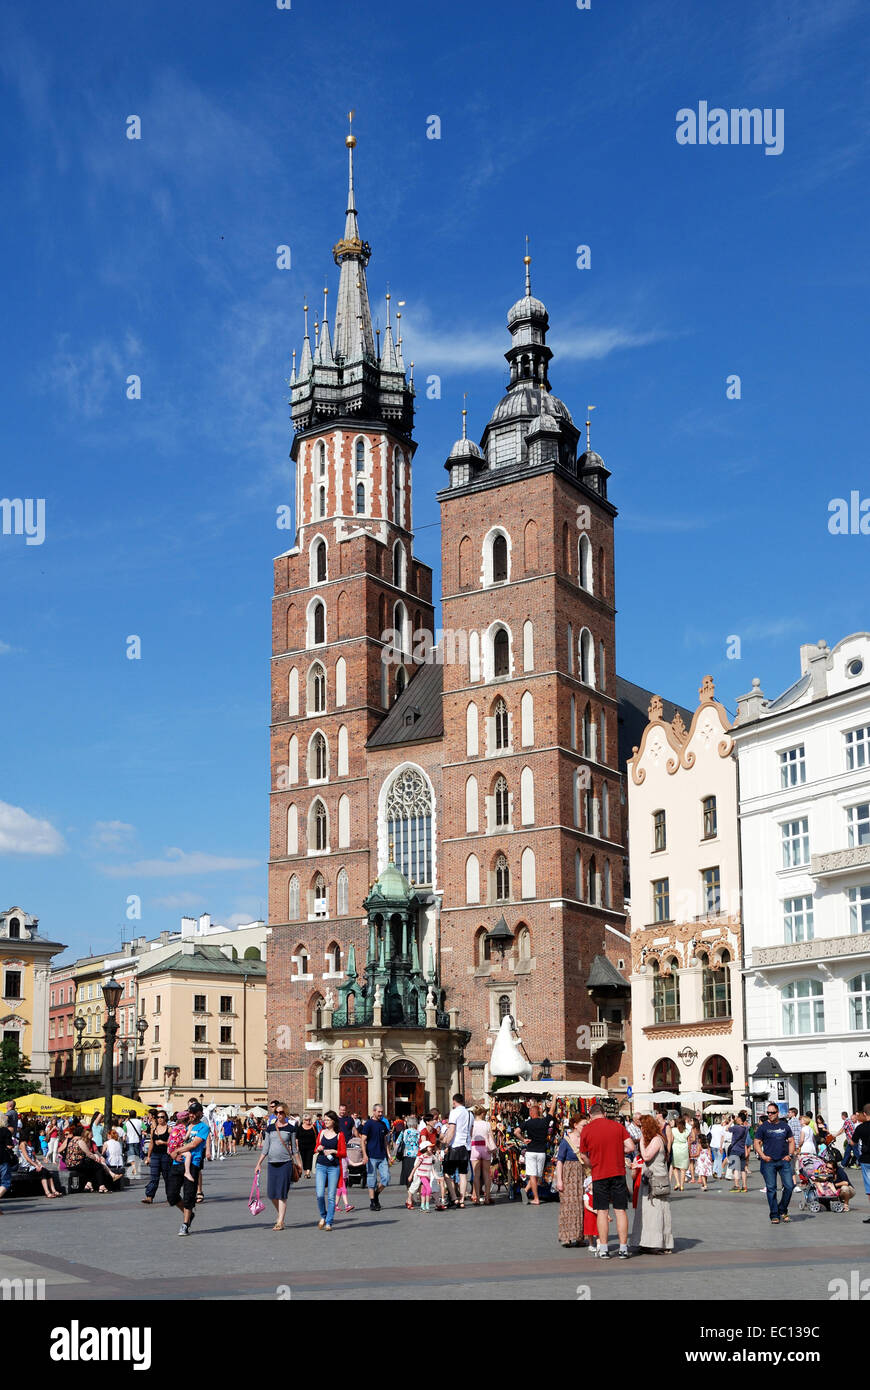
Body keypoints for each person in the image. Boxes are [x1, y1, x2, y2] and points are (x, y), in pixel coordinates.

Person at [579, 1101, 636, 1259]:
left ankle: (603, 1248)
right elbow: (631, 1147)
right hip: (618, 1172)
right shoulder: (617, 1126)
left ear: (590, 1116)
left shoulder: (587, 1130)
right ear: (604, 1113)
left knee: (602, 1211)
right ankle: (623, 1248)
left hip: (599, 1174)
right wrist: (618, 1151)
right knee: (620, 1210)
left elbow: (583, 1155)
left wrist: (592, 1164)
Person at [630, 1113, 674, 1255]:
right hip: (649, 1179)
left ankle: (657, 1243)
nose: (641, 1129)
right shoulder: (655, 1139)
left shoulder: (656, 1139)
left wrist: (642, 1141)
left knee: (656, 1212)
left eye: (642, 1126)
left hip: (656, 1182)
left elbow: (647, 1156)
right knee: (647, 1212)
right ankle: (645, 1241)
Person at [255, 1102, 301, 1230]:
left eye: (281, 1112)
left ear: (285, 1113)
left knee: (282, 1193)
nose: (279, 1115)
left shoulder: (291, 1129)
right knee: (271, 1194)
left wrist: (299, 1164)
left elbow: (294, 1149)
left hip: (285, 1163)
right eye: (276, 1112)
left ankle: (280, 1221)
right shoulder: (270, 1128)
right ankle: (280, 1214)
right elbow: (265, 1148)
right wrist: (258, 1164)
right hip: (272, 1164)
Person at [168, 1100, 209, 1236]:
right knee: (171, 1195)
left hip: (193, 1164)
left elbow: (194, 1144)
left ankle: (185, 1224)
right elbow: (175, 1140)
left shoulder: (203, 1127)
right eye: (189, 1112)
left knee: (189, 1195)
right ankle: (189, 1215)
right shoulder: (184, 1126)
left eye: (193, 1113)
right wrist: (174, 1153)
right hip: (177, 1162)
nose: (190, 1115)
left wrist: (177, 1151)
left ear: (199, 1113)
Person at [753, 1102, 796, 1224]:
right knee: (771, 1188)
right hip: (769, 1162)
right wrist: (762, 1156)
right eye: (768, 1112)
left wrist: (790, 1155)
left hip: (783, 1160)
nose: (770, 1115)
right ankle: (774, 1214)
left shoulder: (785, 1126)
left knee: (789, 1186)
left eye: (772, 1112)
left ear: (777, 1113)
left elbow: (792, 1141)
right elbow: (756, 1142)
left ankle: (782, 1209)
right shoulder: (763, 1127)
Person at [554, 1111, 587, 1247]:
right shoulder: (566, 1141)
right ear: (575, 1125)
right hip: (569, 1174)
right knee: (567, 1205)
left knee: (581, 1204)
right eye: (583, 1125)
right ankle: (566, 1237)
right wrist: (559, 1180)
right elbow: (560, 1161)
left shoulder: (586, 1139)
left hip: (581, 1174)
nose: (585, 1127)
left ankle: (579, 1236)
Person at [313, 1110, 345, 1230]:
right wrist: (319, 1147)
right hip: (321, 1165)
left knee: (331, 1196)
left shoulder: (339, 1134)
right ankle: (323, 1215)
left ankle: (329, 1222)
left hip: (334, 1167)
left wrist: (333, 1151)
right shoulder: (321, 1133)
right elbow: (316, 1148)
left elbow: (343, 1153)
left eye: (328, 1120)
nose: (325, 1122)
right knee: (320, 1194)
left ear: (333, 1121)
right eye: (324, 1120)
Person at [441, 1093, 473, 1208]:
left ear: (454, 1102)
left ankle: (454, 1197)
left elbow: (452, 1130)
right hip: (466, 1147)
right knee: (463, 1174)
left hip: (455, 1146)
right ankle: (462, 1199)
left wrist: (446, 1143)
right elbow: (471, 1132)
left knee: (447, 1173)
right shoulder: (470, 1114)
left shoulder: (454, 1112)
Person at [521, 1101, 556, 1206]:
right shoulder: (544, 1121)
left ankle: (532, 1195)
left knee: (532, 1175)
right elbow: (552, 1110)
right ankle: (528, 1192)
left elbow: (516, 1131)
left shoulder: (527, 1123)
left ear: (531, 1113)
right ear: (539, 1112)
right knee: (537, 1176)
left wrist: (523, 1139)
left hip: (531, 1151)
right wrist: (554, 1098)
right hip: (541, 1152)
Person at [360, 1103, 392, 1212]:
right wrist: (364, 1155)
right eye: (378, 1112)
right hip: (371, 1156)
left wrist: (389, 1155)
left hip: (382, 1156)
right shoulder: (368, 1124)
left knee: (386, 1178)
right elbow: (362, 1140)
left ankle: (377, 1194)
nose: (380, 1114)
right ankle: (373, 1202)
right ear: (373, 1112)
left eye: (382, 1112)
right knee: (371, 1179)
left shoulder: (383, 1124)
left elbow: (385, 1141)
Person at [16, 1130, 63, 1198]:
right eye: (29, 1135)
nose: (30, 1136)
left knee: (47, 1172)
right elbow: (27, 1158)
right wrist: (36, 1165)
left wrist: (39, 1163)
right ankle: (47, 1192)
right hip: (27, 1166)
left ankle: (53, 1190)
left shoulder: (27, 1143)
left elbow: (33, 1156)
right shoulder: (22, 1144)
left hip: (33, 1165)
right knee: (43, 1172)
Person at [142, 1110, 172, 1204]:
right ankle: (149, 1196)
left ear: (166, 1118)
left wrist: (163, 1142)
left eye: (162, 1117)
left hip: (166, 1155)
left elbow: (173, 1143)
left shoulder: (169, 1129)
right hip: (155, 1155)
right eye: (158, 1117)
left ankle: (170, 1196)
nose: (160, 1119)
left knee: (167, 1177)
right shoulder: (153, 1129)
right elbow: (151, 1143)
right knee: (154, 1176)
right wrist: (148, 1156)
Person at [470, 1106, 496, 1206]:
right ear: (482, 1114)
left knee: (476, 1174)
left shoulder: (472, 1124)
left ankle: (476, 1197)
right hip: (485, 1148)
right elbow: (491, 1138)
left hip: (475, 1148)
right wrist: (494, 1149)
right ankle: (487, 1197)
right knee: (486, 1174)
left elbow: (470, 1136)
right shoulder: (487, 1124)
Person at [850, 1104, 870, 1222]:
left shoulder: (860, 1128)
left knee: (869, 1188)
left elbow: (853, 1143)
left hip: (866, 1160)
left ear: (865, 1114)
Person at [410, 1136, 435, 1212]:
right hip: (422, 1175)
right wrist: (411, 1175)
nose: (431, 1148)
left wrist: (435, 1175)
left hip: (428, 1175)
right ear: (425, 1148)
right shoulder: (422, 1157)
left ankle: (422, 1206)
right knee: (429, 1189)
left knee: (424, 1191)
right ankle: (427, 1205)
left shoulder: (431, 1156)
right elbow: (416, 1167)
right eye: (430, 1147)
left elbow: (433, 1166)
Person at [726, 1112, 750, 1192]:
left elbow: (727, 1128)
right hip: (742, 1150)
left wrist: (731, 1121)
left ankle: (737, 1186)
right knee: (743, 1169)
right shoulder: (746, 1128)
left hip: (735, 1150)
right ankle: (745, 1186)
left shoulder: (736, 1127)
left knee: (736, 1168)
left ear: (739, 1119)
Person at [397, 1115, 420, 1193]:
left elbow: (397, 1143)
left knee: (407, 1175)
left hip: (406, 1155)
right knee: (416, 1175)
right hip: (416, 1156)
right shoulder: (418, 1132)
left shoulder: (404, 1132)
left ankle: (409, 1194)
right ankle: (418, 1193)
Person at [670, 1117, 690, 1191]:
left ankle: (677, 1182)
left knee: (675, 1167)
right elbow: (688, 1142)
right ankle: (682, 1185)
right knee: (683, 1168)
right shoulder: (687, 1131)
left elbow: (671, 1140)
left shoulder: (673, 1130)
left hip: (675, 1148)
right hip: (684, 1148)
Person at [296, 1113, 317, 1177]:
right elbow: (297, 1138)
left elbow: (317, 1137)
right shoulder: (299, 1128)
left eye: (309, 1119)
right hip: (302, 1146)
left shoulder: (313, 1127)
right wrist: (297, 1146)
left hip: (311, 1146)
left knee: (309, 1158)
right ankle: (305, 1171)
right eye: (307, 1120)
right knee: (304, 1159)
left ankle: (308, 1172)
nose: (308, 1121)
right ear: (304, 1120)